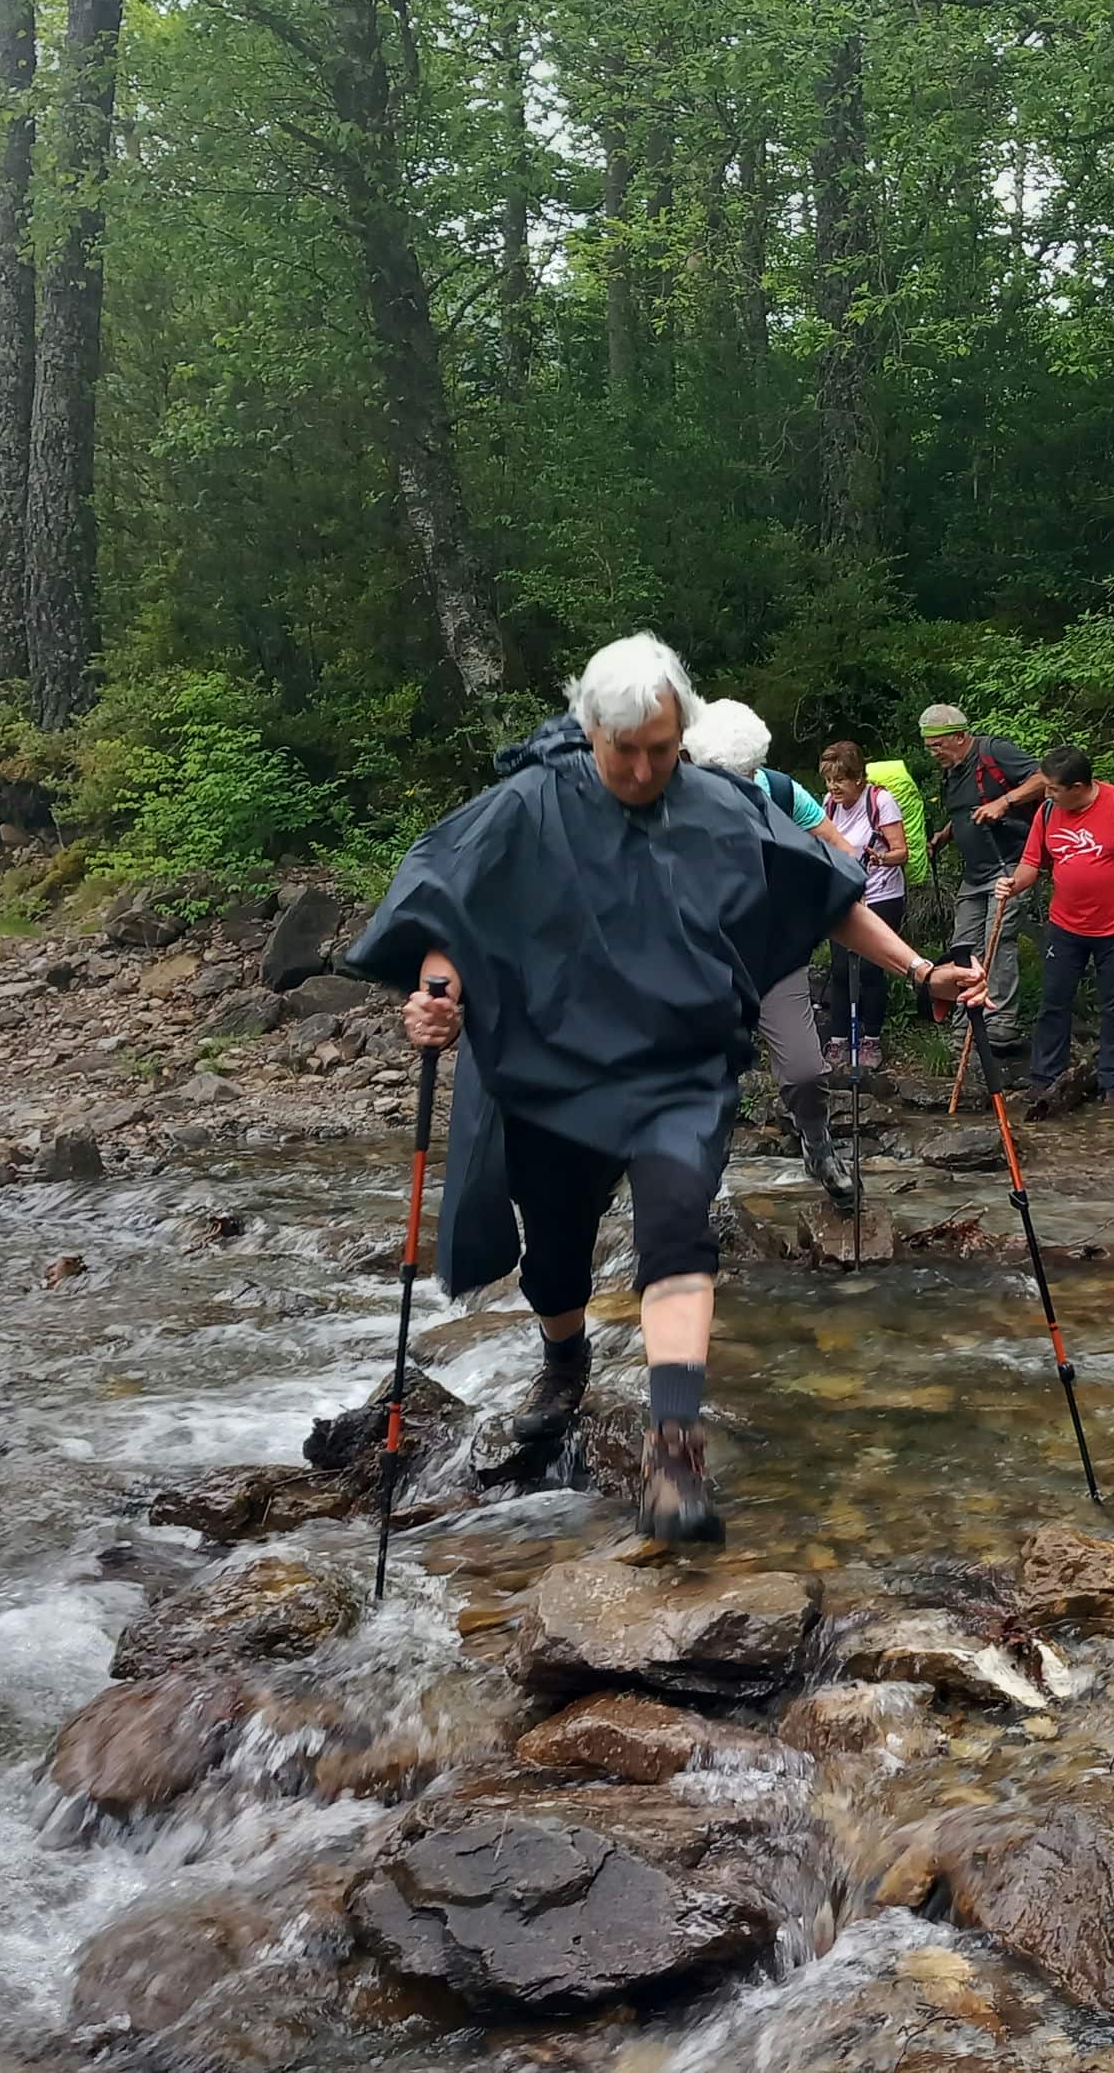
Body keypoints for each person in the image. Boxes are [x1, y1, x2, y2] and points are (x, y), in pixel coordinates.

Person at [351, 633, 984, 1543]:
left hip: (682, 1064)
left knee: (679, 1231)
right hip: (554, 1068)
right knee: (556, 1256)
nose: (645, 769)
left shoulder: (723, 806)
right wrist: (438, 996)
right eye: (625, 751)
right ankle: (563, 1360)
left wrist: (921, 970)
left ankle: (675, 1451)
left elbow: (826, 897)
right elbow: (450, 909)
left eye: (660, 747)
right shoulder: (528, 804)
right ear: (589, 732)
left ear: (681, 731)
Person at [681, 698, 859, 1206]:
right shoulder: (672, 797)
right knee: (709, 1081)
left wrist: (831, 891)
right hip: (706, 963)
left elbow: (839, 848)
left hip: (776, 957)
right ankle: (703, 1188)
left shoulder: (780, 791)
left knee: (805, 1071)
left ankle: (817, 1144)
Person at [998, 743, 1114, 1115]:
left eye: (1054, 789)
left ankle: (1113, 1082)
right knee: (1054, 1001)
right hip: (1065, 925)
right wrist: (1014, 884)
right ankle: (1045, 1077)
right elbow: (1031, 863)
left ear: (1078, 787)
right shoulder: (1047, 812)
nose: (1047, 795)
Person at [918, 703, 1046, 1048]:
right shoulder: (953, 770)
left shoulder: (993, 751)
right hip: (974, 874)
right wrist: (946, 834)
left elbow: (1044, 777)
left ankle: (1001, 1023)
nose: (934, 753)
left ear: (960, 736)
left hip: (1010, 864)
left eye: (938, 745)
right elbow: (966, 809)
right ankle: (967, 1023)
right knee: (964, 946)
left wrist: (1004, 803)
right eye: (929, 747)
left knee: (997, 940)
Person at [818, 740, 908, 1070]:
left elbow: (902, 852)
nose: (833, 787)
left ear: (858, 778)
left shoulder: (880, 801)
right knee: (841, 968)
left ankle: (871, 1038)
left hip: (880, 894)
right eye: (829, 780)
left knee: (870, 968)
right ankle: (839, 1039)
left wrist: (880, 858)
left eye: (839, 779)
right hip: (843, 895)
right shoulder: (828, 804)